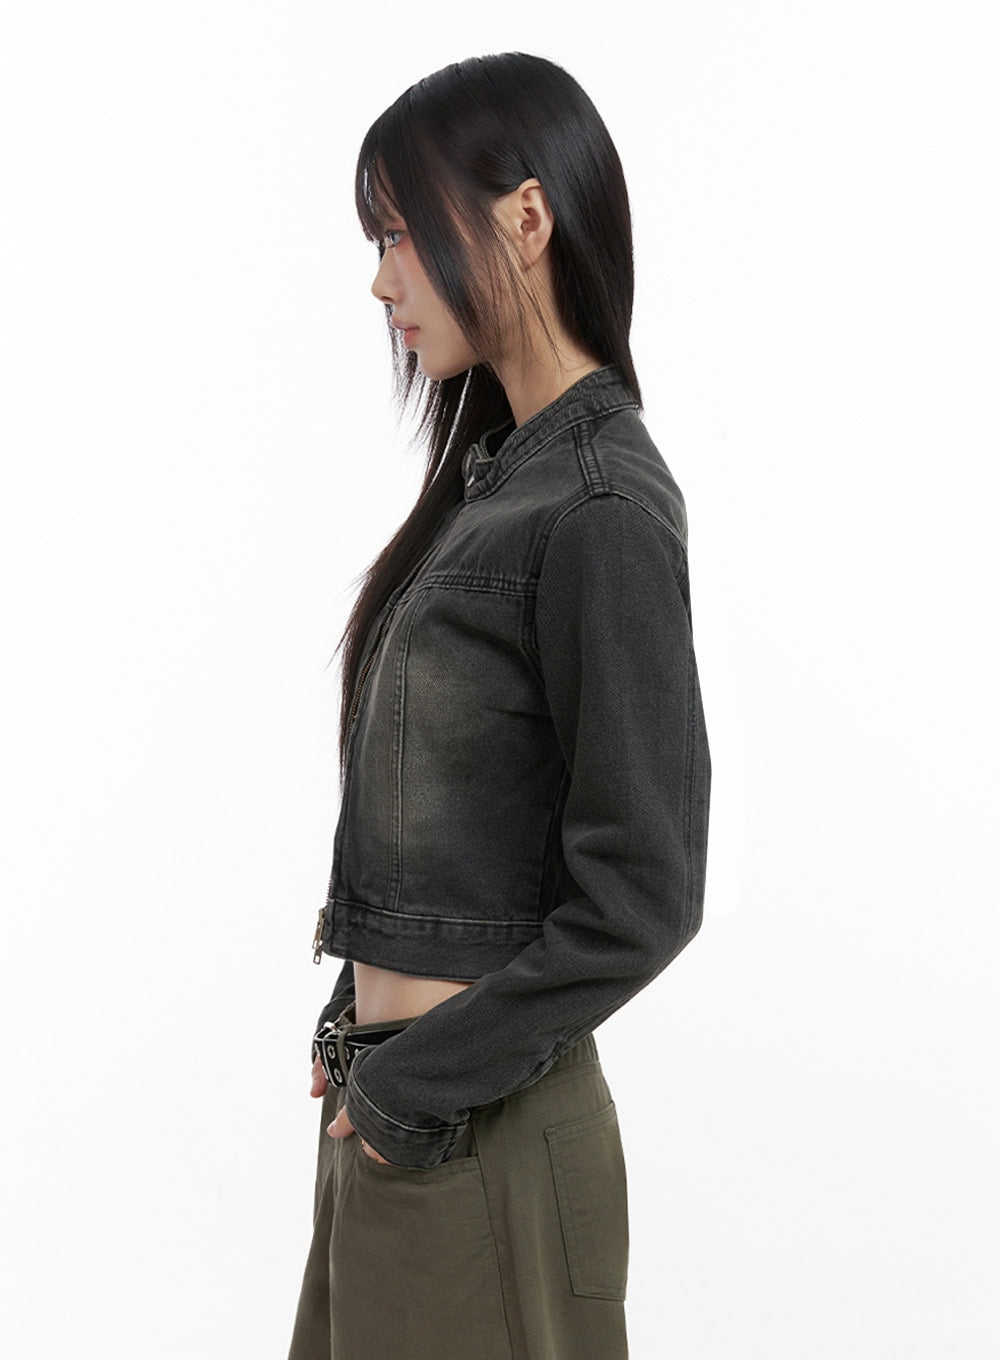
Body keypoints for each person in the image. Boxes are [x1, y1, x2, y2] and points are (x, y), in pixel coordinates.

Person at [286, 50, 712, 1360]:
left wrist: (411, 1084)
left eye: (403, 233)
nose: (382, 280)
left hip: (478, 1141)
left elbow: (643, 894)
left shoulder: (599, 506)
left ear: (526, 218)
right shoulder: (503, 486)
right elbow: (471, 825)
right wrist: (362, 1034)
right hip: (414, 1128)